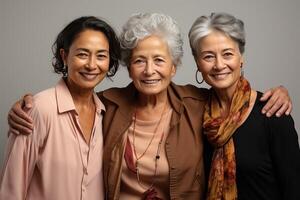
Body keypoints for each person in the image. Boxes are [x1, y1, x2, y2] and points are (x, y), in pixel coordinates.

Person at [5, 13, 293, 200]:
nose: (149, 70)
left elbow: (235, 101)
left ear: (174, 66)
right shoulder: (107, 105)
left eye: (159, 60)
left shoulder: (196, 105)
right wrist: (26, 105)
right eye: (139, 61)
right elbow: (73, 98)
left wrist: (280, 93)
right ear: (128, 67)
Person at [0, 16, 120, 200]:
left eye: (101, 56)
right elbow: (11, 190)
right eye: (82, 54)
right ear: (64, 56)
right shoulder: (39, 109)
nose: (91, 65)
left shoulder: (107, 112)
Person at [188, 12, 300, 200]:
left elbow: (295, 190)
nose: (219, 65)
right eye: (208, 56)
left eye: (228, 54)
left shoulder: (273, 113)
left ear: (241, 57)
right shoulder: (194, 111)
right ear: (198, 63)